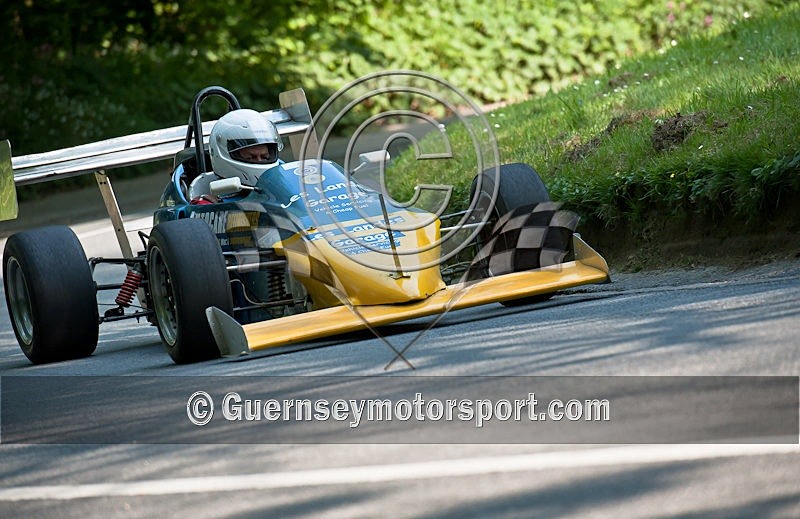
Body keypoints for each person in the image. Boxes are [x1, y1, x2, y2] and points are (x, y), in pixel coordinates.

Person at [208, 108, 284, 187]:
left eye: (265, 157)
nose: (259, 161)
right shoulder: (208, 198)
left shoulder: (284, 173)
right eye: (250, 157)